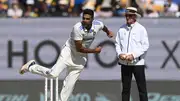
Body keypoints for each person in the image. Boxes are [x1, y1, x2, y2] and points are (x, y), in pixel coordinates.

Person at [19, 9, 114, 101]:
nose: (85, 21)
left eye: (88, 19)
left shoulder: (98, 24)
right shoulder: (77, 28)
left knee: (69, 86)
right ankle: (31, 67)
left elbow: (103, 27)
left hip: (80, 58)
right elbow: (79, 48)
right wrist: (94, 51)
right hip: (68, 52)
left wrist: (108, 32)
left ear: (92, 20)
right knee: (53, 74)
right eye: (84, 18)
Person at [115, 7, 149, 101]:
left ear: (135, 16)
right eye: (126, 15)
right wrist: (120, 54)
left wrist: (133, 55)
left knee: (142, 89)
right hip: (125, 63)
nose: (128, 17)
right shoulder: (121, 28)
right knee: (125, 89)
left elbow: (145, 46)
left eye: (130, 15)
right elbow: (117, 43)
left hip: (137, 63)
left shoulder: (141, 29)